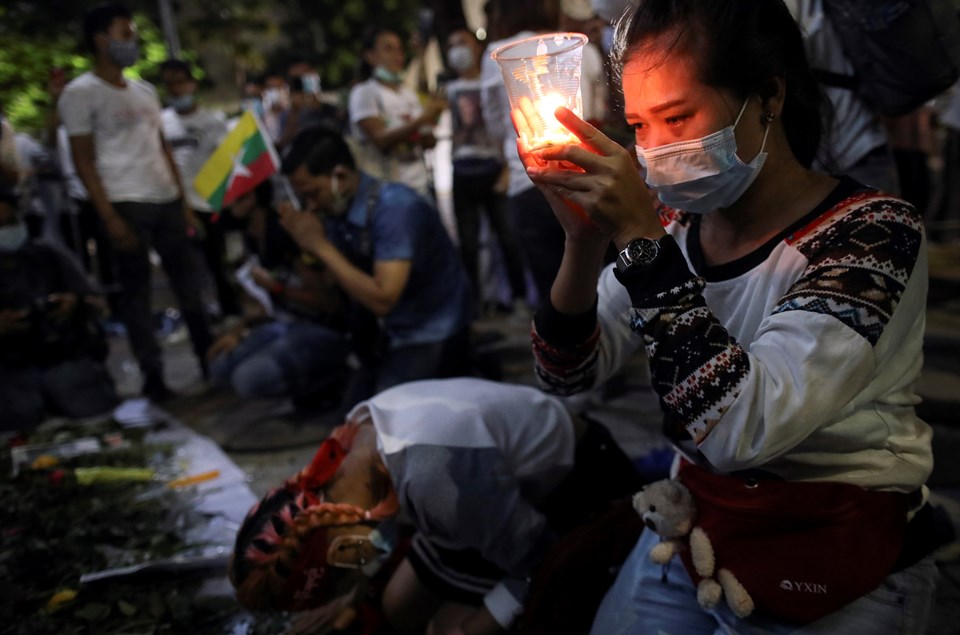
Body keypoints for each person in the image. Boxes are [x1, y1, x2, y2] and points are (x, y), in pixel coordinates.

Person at [516, 0, 938, 632]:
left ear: (766, 95)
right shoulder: (676, 230)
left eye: (678, 116)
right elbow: (566, 374)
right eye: (639, 125)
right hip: (696, 521)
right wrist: (582, 244)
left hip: (832, 542)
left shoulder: (872, 234)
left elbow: (743, 429)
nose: (654, 150)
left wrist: (638, 238)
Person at [229, 377, 643, 635]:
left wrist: (482, 624)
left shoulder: (429, 477)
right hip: (480, 500)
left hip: (580, 489)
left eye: (348, 573)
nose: (359, 574)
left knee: (443, 630)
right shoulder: (349, 448)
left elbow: (539, 560)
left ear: (342, 550)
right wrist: (352, 591)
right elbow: (380, 527)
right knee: (396, 606)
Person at [58, 3, 214, 401]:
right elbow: (82, 158)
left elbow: (161, 147)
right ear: (101, 39)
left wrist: (182, 200)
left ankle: (210, 361)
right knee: (137, 294)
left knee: (190, 286)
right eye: (126, 34)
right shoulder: (81, 94)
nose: (134, 42)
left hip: (164, 198)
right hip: (125, 200)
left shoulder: (145, 91)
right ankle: (154, 377)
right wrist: (107, 214)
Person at [278, 126, 474, 401]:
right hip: (389, 331)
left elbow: (384, 298)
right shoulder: (337, 210)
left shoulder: (395, 209)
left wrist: (320, 246)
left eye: (313, 194)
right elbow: (333, 293)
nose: (310, 206)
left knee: (387, 419)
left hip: (431, 328)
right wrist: (302, 248)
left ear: (340, 177)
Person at [207, 180, 351, 409]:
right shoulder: (248, 236)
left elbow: (327, 303)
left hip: (320, 326)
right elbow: (263, 306)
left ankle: (330, 384)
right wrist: (238, 331)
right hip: (283, 324)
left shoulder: (283, 229)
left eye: (237, 194)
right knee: (220, 366)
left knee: (248, 379)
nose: (230, 201)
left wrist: (277, 288)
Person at [0, 185, 117, 432]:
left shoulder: (48, 255)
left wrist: (75, 303)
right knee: (19, 416)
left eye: (9, 222)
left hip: (60, 357)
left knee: (87, 406)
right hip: (10, 367)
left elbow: (98, 305)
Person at [480, 0, 567, 308]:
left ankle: (566, 351)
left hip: (527, 177)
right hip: (579, 176)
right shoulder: (574, 46)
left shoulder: (498, 54)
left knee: (550, 284)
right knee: (593, 271)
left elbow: (492, 117)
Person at [444, 28, 528, 312]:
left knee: (508, 238)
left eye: (462, 43)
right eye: (452, 44)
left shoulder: (491, 81)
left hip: (493, 168)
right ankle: (476, 303)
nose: (457, 49)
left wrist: (505, 168)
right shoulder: (447, 89)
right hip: (462, 170)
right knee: (468, 242)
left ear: (477, 47)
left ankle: (517, 299)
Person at [159, 57, 242, 320]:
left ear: (192, 84)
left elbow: (225, 162)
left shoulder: (213, 120)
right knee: (185, 266)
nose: (176, 90)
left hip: (209, 203)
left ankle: (230, 311)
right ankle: (198, 316)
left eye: (180, 83)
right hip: (177, 204)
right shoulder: (161, 122)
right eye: (170, 84)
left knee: (218, 262)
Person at [348, 26, 446, 199]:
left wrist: (433, 120)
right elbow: (380, 140)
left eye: (400, 48)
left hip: (421, 186)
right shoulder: (364, 93)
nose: (397, 55)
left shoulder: (407, 93)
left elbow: (427, 142)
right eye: (388, 48)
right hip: (388, 192)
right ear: (370, 56)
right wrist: (423, 118)